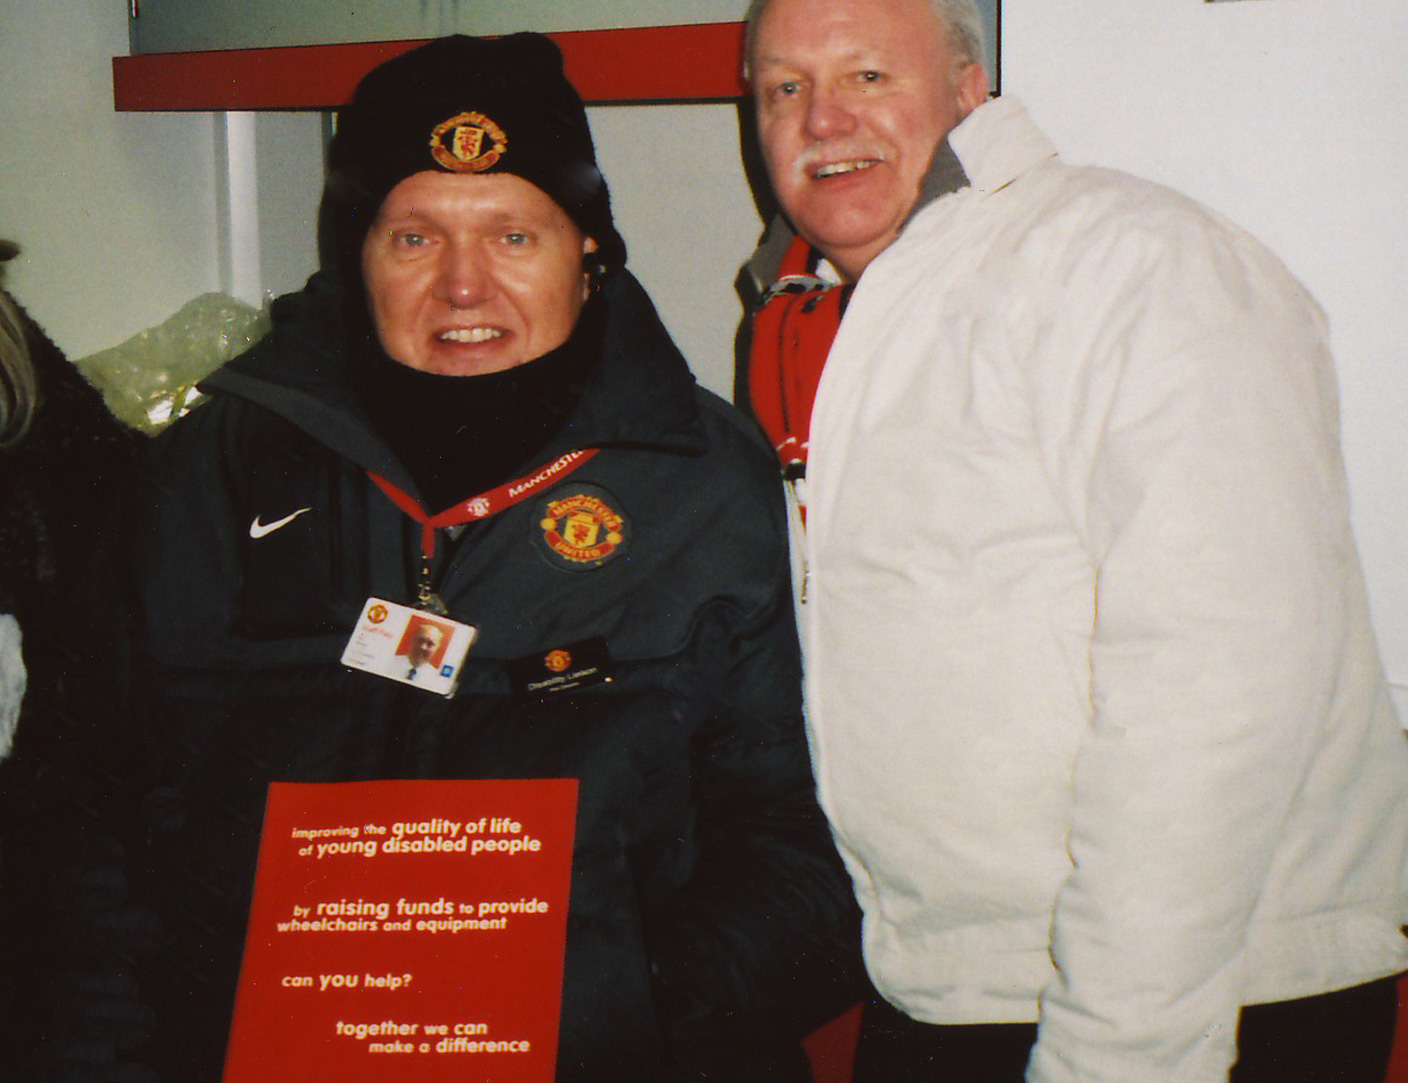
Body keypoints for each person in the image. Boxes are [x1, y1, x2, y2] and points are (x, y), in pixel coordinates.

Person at [9, 33, 859, 1083]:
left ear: (589, 253)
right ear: (353, 252)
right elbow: (80, 826)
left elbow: (810, 847)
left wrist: (612, 995)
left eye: (513, 233)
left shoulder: (706, 482)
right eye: (414, 238)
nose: (465, 287)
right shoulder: (206, 479)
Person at [740, 0, 1408, 1081]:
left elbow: (1214, 683)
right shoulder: (811, 320)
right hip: (951, 990)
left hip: (1197, 1001)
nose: (821, 120)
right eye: (782, 87)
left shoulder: (1134, 263)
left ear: (970, 94)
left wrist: (1120, 1046)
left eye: (867, 76)